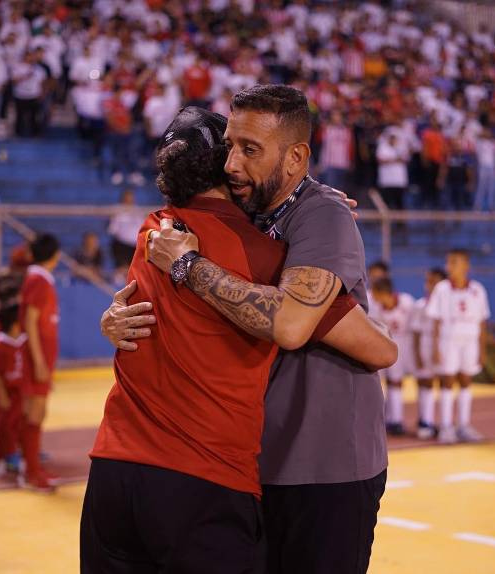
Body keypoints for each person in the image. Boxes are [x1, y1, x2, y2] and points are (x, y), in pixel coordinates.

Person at [82, 106, 395, 573]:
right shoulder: (264, 255)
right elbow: (378, 348)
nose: (237, 164)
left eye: (248, 151)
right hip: (205, 479)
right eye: (234, 151)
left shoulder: (154, 232)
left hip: (112, 472)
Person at [428, 248, 490, 445]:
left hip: (469, 341)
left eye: (454, 262)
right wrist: (436, 347)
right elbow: (436, 321)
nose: (450, 267)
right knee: (448, 380)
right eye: (448, 262)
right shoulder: (442, 289)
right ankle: (446, 426)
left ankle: (464, 425)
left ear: (466, 266)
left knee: (465, 379)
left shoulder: (477, 290)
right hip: (448, 340)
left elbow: (482, 322)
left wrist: (482, 349)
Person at [18, 233, 60, 491]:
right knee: (35, 412)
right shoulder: (38, 280)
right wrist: (39, 361)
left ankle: (31, 465)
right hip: (38, 356)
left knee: (36, 411)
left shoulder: (40, 279)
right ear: (54, 256)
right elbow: (31, 322)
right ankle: (31, 471)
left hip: (42, 355)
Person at [368, 277, 417, 437]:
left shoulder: (407, 303)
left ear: (382, 293)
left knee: (396, 382)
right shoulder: (375, 308)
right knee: (380, 382)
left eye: (374, 292)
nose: (372, 295)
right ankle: (385, 418)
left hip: (403, 343)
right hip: (382, 343)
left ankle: (396, 419)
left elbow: (416, 326)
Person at [0, 304, 27, 481]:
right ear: (14, 324)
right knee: (4, 427)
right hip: (7, 394)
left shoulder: (23, 341)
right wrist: (1, 395)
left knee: (21, 425)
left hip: (22, 393)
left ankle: (17, 455)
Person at [411, 267, 446, 439]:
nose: (429, 285)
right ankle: (425, 421)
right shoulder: (421, 305)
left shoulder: (448, 304)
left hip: (444, 346)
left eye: (433, 281)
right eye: (428, 281)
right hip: (426, 345)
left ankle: (436, 422)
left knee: (442, 384)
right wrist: (417, 354)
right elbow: (416, 332)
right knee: (425, 383)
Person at [107, 189, 144, 282]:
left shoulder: (138, 211)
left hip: (135, 246)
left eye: (130, 198)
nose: (129, 201)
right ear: (122, 199)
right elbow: (112, 230)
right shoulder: (117, 210)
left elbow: (142, 228)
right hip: (121, 244)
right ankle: (119, 279)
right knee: (122, 269)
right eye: (126, 198)